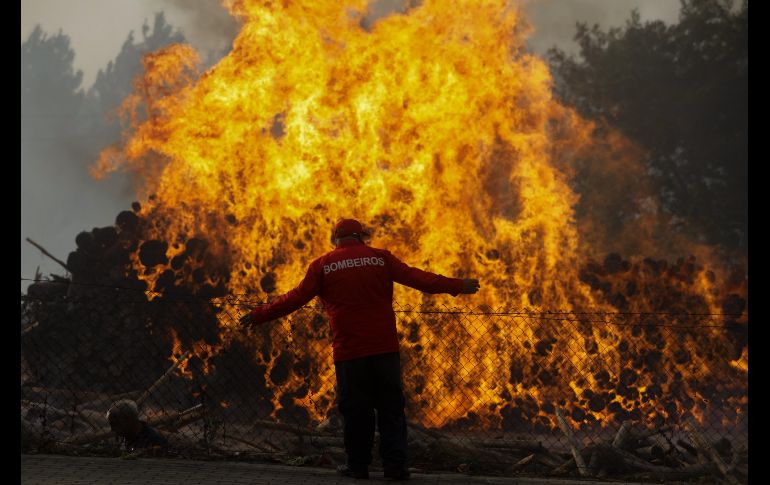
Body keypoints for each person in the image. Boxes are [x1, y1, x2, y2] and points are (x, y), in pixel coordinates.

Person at [240, 218, 480, 480]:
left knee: (356, 412)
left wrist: (258, 315)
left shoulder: (323, 265)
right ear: (362, 237)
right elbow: (419, 278)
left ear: (336, 239)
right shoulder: (381, 258)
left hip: (350, 352)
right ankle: (395, 468)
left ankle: (358, 466)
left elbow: (294, 299)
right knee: (391, 410)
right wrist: (457, 285)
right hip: (384, 350)